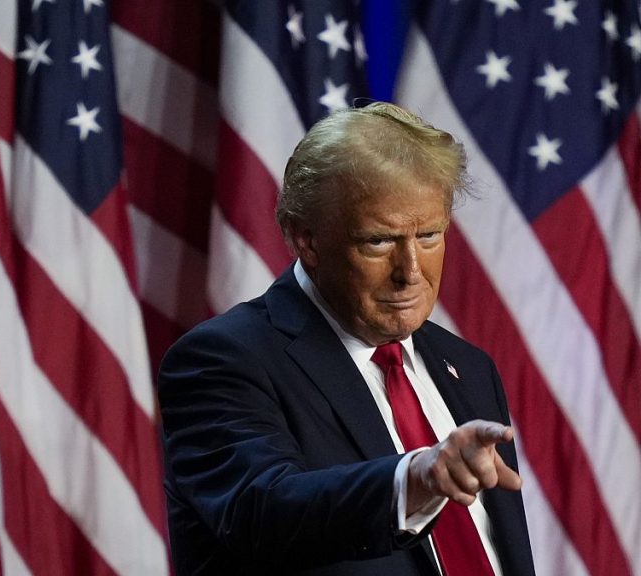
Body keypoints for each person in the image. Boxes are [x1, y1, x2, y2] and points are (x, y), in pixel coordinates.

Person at [159, 102, 535, 575]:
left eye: (429, 235)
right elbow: (264, 512)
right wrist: (412, 479)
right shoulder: (222, 359)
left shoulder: (468, 366)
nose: (411, 273)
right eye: (378, 241)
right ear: (307, 240)